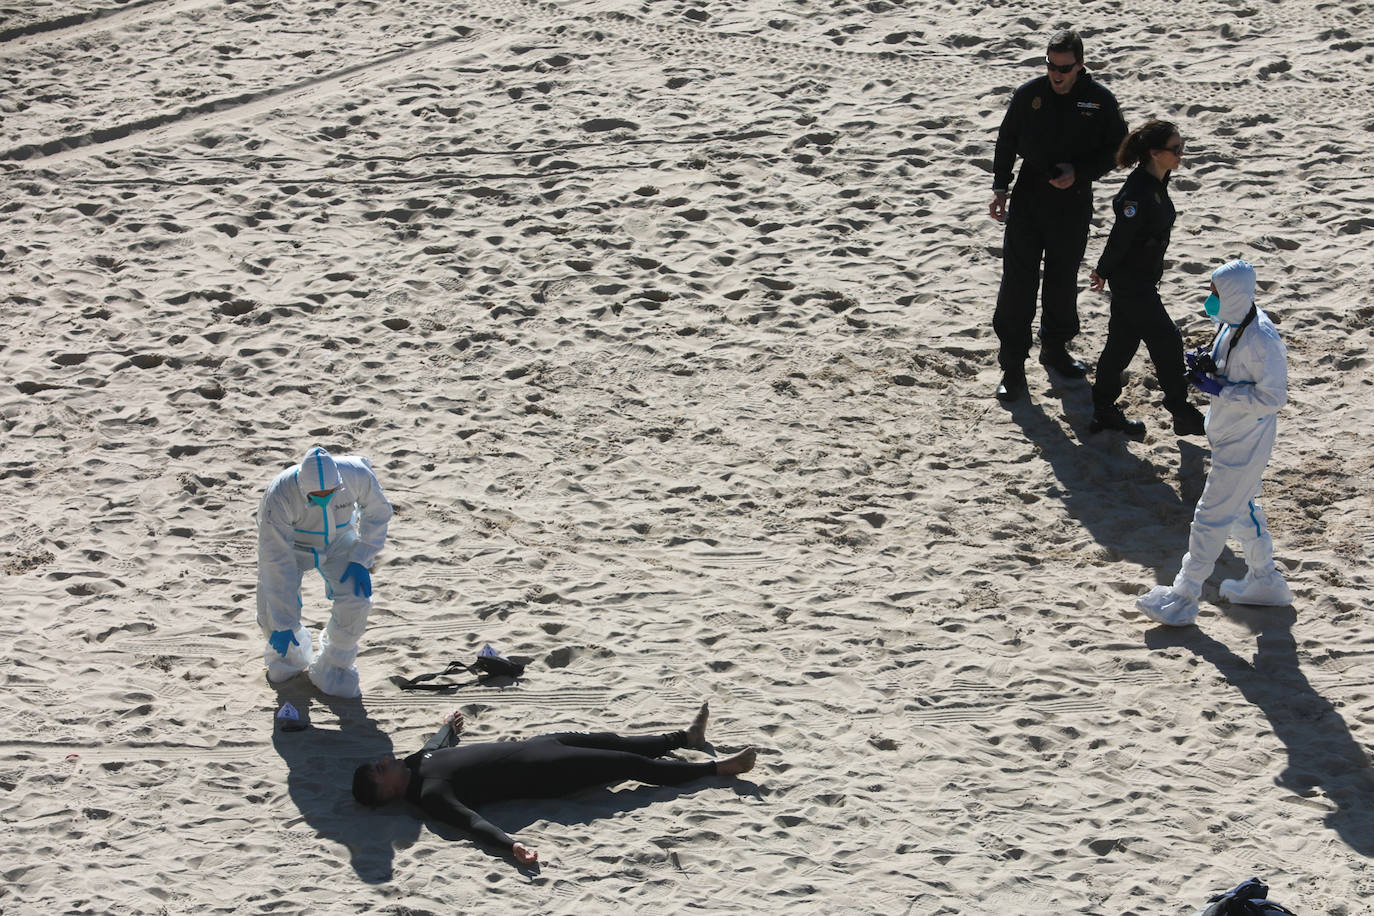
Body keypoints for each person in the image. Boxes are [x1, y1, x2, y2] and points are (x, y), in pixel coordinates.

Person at [353, 704, 757, 864]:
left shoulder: (413, 762)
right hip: (550, 773)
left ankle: (685, 740)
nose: (383, 761)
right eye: (378, 770)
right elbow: (469, 823)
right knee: (628, 765)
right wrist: (510, 845)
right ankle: (717, 770)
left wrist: (446, 728)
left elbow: (434, 746)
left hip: (542, 745)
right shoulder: (429, 794)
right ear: (387, 792)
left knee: (615, 741)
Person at [1137, 259, 1292, 626]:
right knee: (1240, 508)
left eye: (1215, 292)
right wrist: (1209, 367)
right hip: (1228, 433)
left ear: (1234, 295)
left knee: (1210, 516)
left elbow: (1273, 398)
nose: (1210, 298)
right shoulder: (1233, 322)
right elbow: (1230, 365)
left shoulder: (1261, 340)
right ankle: (1265, 580)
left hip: (1246, 439)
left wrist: (1223, 389)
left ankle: (1184, 595)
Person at [990, 28, 1127, 402]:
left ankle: (1055, 348)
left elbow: (1118, 148)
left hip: (1073, 200)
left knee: (1062, 280)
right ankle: (1013, 367)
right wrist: (1000, 187)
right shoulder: (1030, 94)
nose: (1057, 74)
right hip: (1029, 197)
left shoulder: (1099, 101)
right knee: (1017, 284)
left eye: (1065, 68)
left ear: (1080, 66)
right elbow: (1006, 139)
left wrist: (1079, 173)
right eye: (1052, 65)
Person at [1087, 119, 1207, 437]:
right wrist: (1103, 270)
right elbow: (1120, 237)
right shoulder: (1137, 193)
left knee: (1120, 346)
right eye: (1176, 149)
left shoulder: (1157, 182)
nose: (1181, 154)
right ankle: (1180, 411)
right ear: (1156, 153)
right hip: (1132, 284)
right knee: (1166, 339)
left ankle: (1103, 410)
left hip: (1141, 281)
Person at [257, 446, 393, 697]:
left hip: (340, 541)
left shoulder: (357, 474)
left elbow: (378, 512)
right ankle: (292, 654)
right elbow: (276, 560)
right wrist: (284, 622)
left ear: (338, 484)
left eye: (329, 493)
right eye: (314, 495)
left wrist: (362, 556)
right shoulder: (279, 494)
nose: (322, 498)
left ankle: (333, 664)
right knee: (272, 616)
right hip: (294, 546)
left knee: (357, 599)